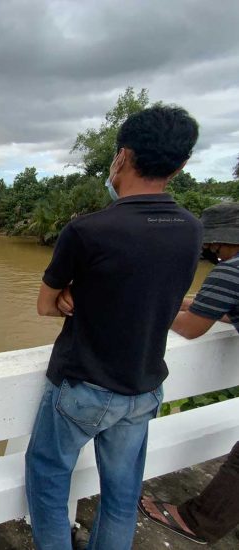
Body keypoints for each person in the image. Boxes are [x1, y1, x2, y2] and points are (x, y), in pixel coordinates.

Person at [26, 105, 202, 550]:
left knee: (48, 479)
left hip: (83, 387)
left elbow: (46, 305)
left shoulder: (87, 231)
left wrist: (72, 296)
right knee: (123, 495)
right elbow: (153, 292)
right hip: (142, 391)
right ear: (180, 166)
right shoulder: (192, 229)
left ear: (121, 157)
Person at [139, 202, 239, 545]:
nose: (212, 252)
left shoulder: (231, 272)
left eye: (213, 246)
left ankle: (198, 522)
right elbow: (212, 306)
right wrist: (174, 299)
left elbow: (192, 327)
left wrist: (151, 307)